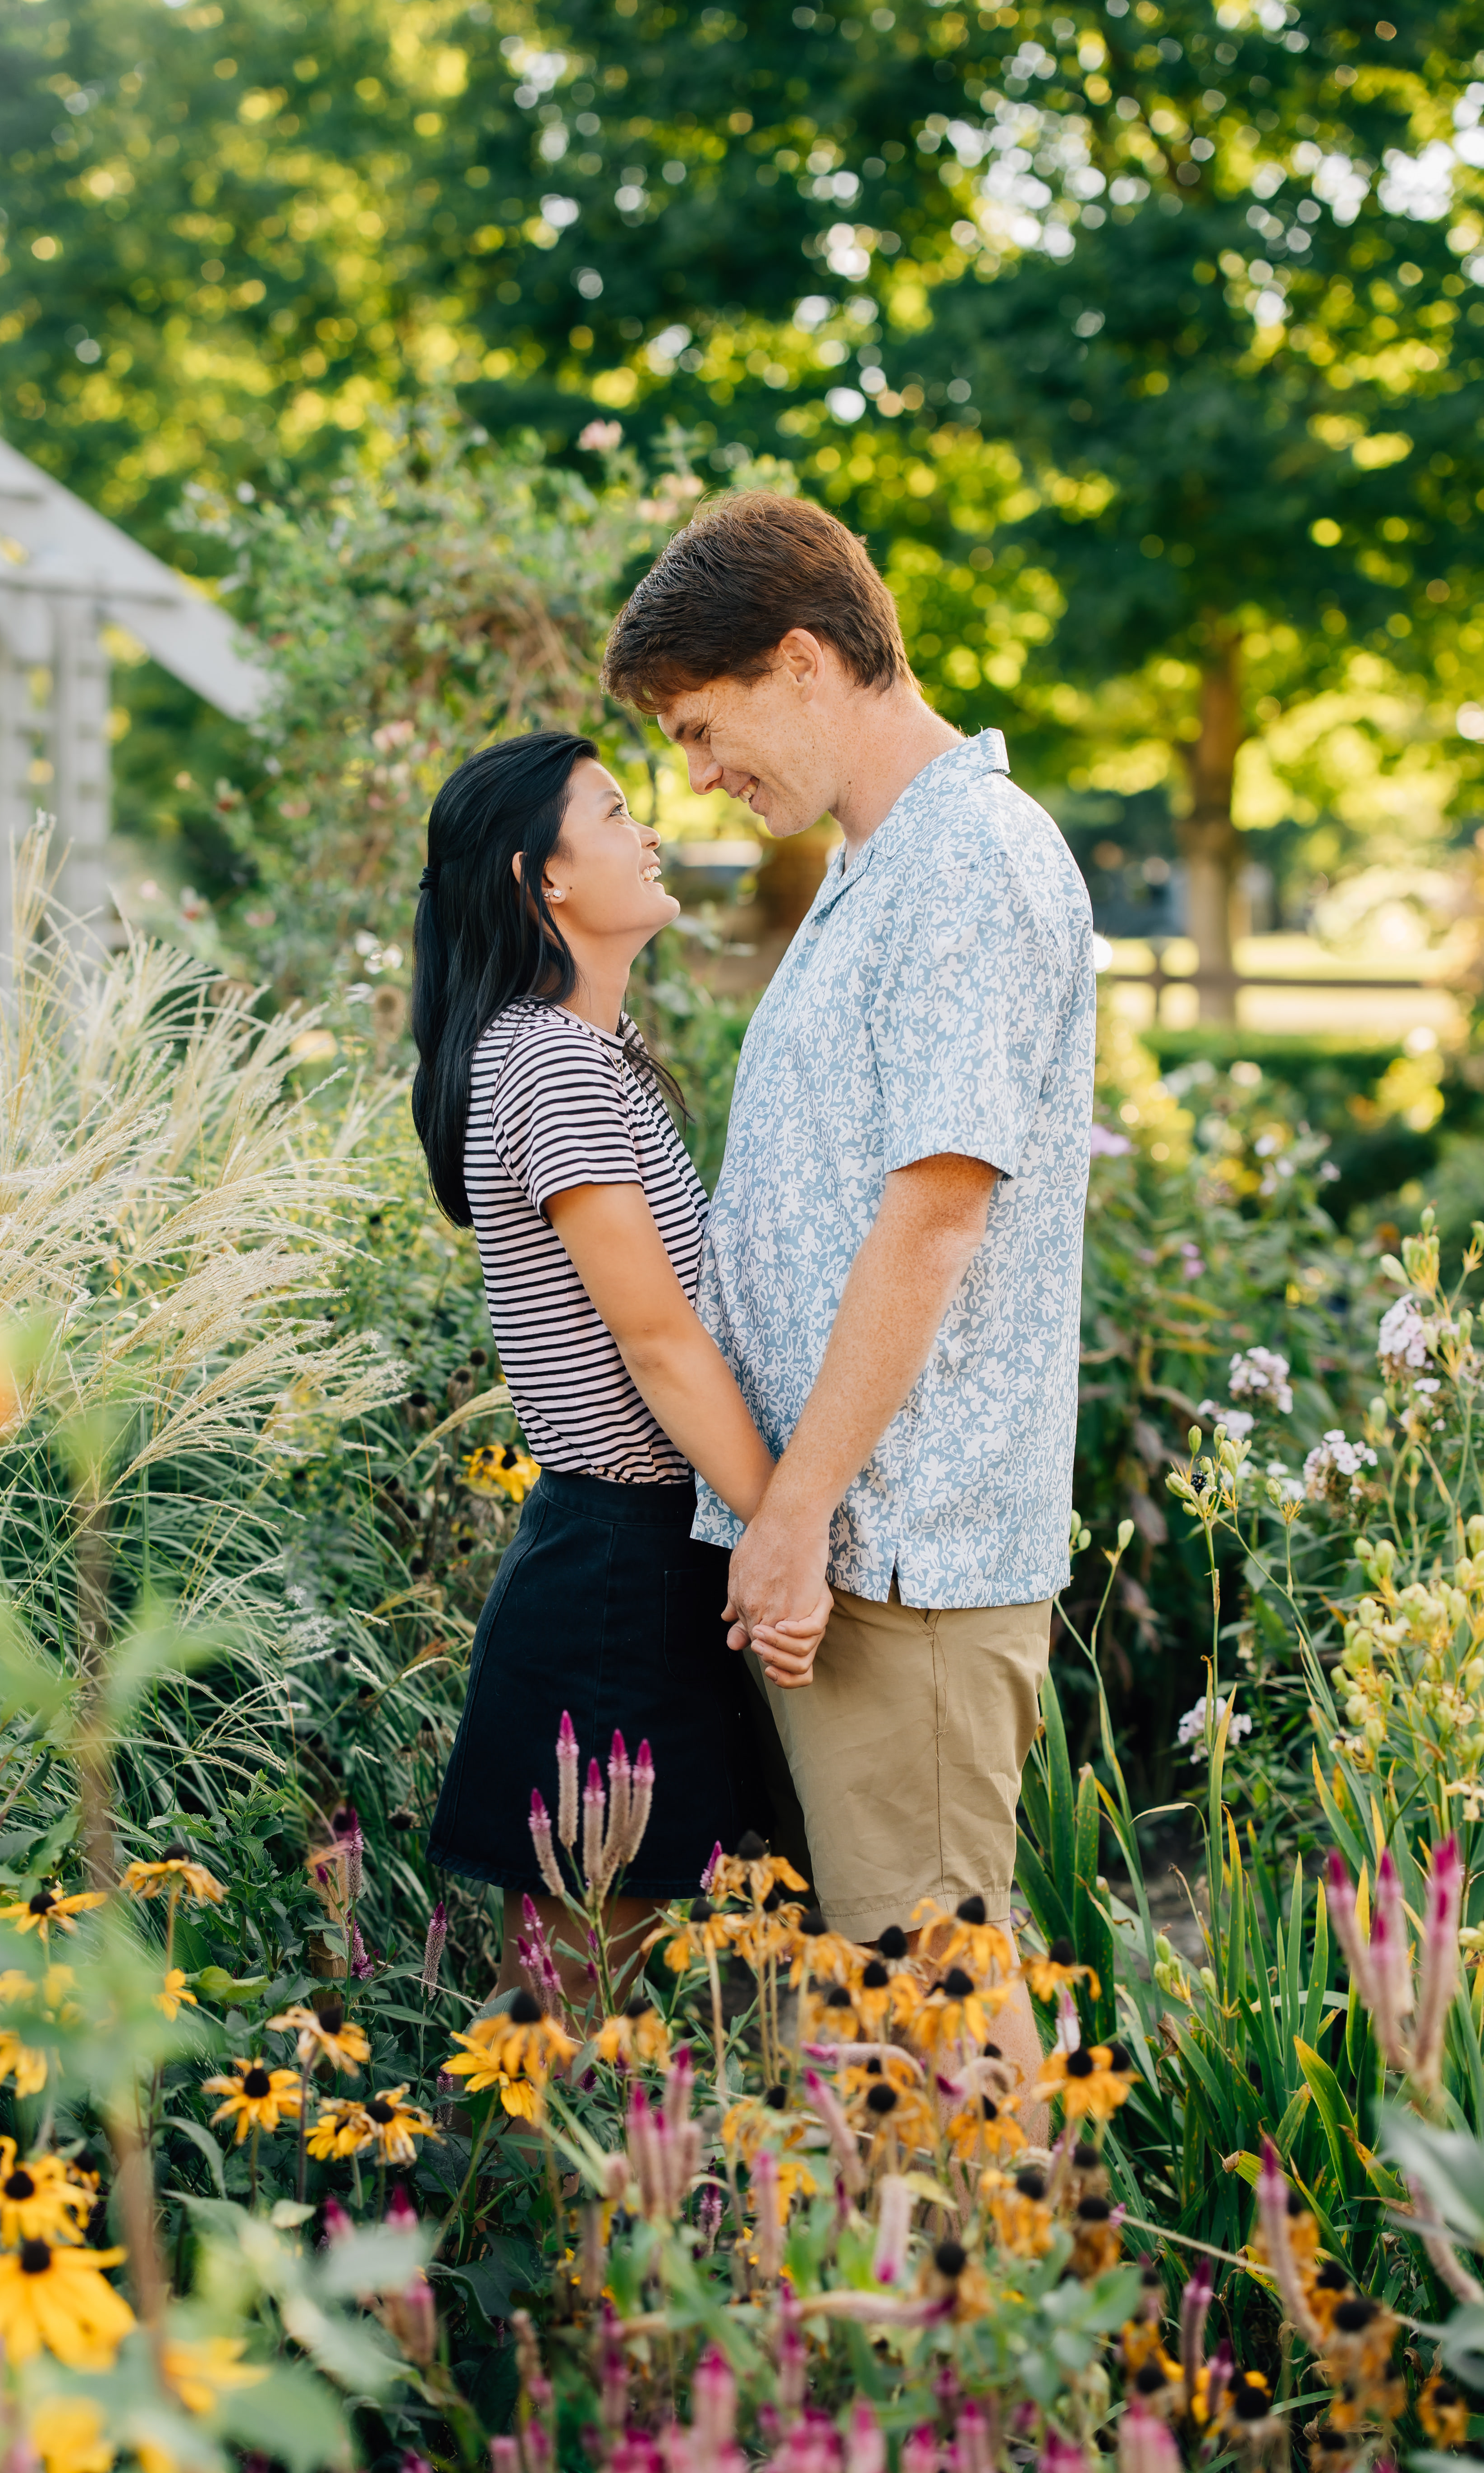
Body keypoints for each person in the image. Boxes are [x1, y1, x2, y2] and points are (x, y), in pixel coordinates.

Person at [600, 492, 1095, 2121]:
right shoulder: (881, 863)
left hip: (902, 1551)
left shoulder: (967, 863)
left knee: (932, 2015)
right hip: (848, 1543)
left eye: (701, 726)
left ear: (802, 662)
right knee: (881, 2030)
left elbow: (934, 1220)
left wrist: (795, 1510)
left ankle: (1019, 2297)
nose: (695, 775)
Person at [410, 729, 829, 2002]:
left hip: (643, 1554)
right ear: (543, 876)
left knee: (596, 2006)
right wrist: (785, 1529)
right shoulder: (550, 1063)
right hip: (616, 1572)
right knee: (561, 2015)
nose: (649, 832)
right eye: (611, 813)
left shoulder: (583, 1053)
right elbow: (657, 1342)